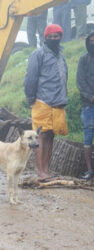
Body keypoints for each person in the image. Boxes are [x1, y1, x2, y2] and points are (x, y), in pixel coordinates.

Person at [24, 24, 69, 182]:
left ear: (60, 37)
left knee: (50, 135)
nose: (53, 39)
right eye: (50, 36)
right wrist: (30, 98)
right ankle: (40, 172)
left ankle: (47, 171)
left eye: (56, 36)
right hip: (42, 101)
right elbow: (31, 78)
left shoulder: (60, 56)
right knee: (41, 136)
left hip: (57, 103)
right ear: (45, 37)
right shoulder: (38, 54)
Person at [76, 32, 94, 180]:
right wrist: (90, 96)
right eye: (91, 41)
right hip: (88, 105)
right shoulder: (84, 59)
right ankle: (90, 171)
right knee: (88, 137)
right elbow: (80, 82)